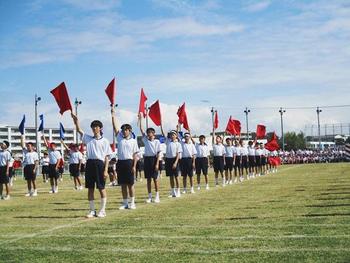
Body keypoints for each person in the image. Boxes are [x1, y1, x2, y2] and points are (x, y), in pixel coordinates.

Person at [71, 112, 111, 218]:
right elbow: (79, 130)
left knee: (101, 188)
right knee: (90, 188)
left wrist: (106, 169)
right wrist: (76, 120)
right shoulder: (88, 138)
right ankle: (92, 210)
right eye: (93, 127)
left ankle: (102, 210)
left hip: (100, 164)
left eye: (96, 127)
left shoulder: (105, 141)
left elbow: (107, 157)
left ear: (100, 128)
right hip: (89, 164)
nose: (94, 129)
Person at [111, 106, 139, 210]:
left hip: (129, 162)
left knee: (130, 184)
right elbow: (115, 127)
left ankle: (132, 202)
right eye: (123, 130)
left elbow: (135, 155)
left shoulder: (133, 141)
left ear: (130, 131)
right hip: (120, 162)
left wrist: (134, 166)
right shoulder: (119, 138)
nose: (124, 131)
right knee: (122, 184)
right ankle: (125, 203)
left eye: (126, 130)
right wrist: (113, 115)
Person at [138, 113, 162, 203]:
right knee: (148, 179)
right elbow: (141, 129)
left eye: (150, 132)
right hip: (147, 160)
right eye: (148, 133)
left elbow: (158, 153)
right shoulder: (145, 140)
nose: (148, 134)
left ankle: (157, 196)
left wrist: (157, 164)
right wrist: (140, 119)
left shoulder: (157, 141)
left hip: (154, 159)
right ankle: (149, 196)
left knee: (155, 179)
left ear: (153, 133)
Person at [161, 126, 182, 198]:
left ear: (176, 136)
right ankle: (173, 192)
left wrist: (175, 163)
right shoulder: (168, 141)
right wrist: (161, 126)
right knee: (171, 177)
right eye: (171, 135)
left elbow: (178, 154)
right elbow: (163, 134)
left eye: (173, 134)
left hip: (174, 160)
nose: (172, 136)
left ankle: (178, 191)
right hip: (168, 160)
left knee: (176, 176)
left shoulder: (178, 144)